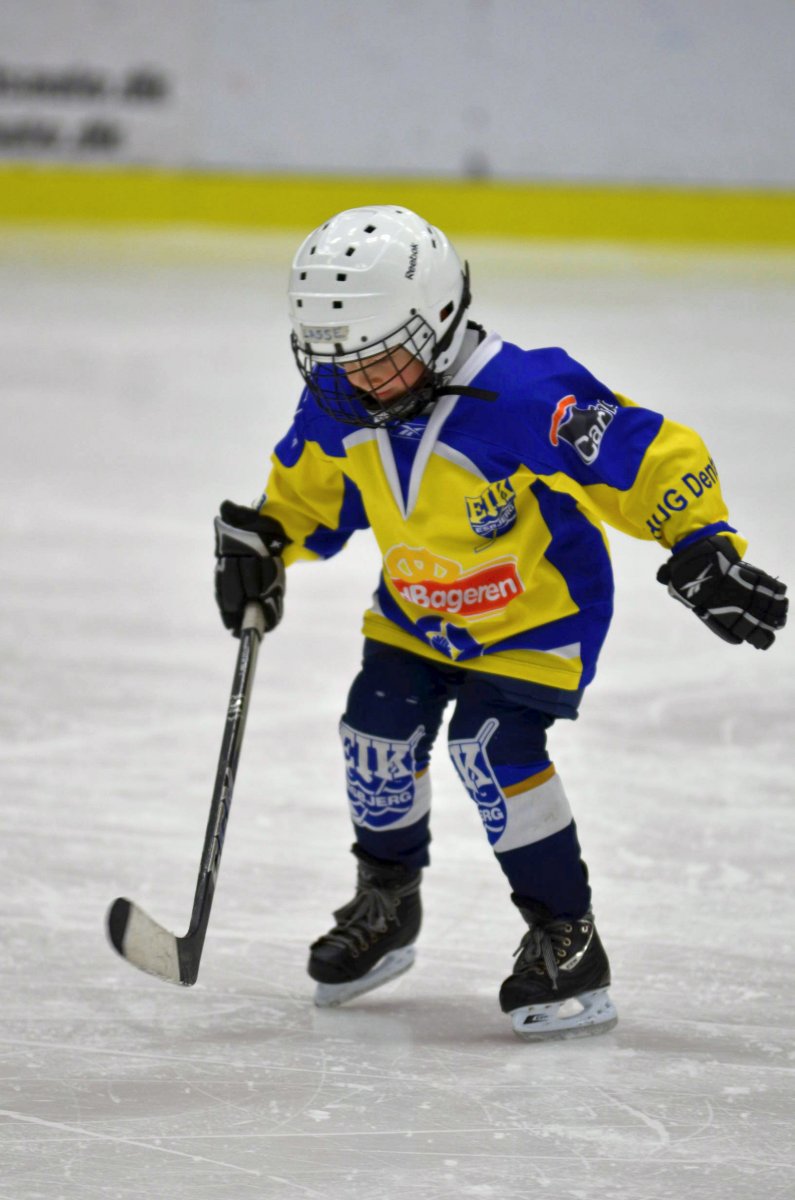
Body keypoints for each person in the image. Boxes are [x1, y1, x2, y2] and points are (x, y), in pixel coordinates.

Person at [213, 205, 787, 1041]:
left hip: (537, 616)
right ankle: (387, 901)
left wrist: (701, 543)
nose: (358, 380)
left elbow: (646, 457)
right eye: (338, 360)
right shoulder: (343, 404)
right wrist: (268, 538)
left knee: (488, 748)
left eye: (379, 356)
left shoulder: (522, 395)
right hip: (416, 611)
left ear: (440, 317)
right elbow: (312, 491)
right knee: (374, 736)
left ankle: (566, 936)